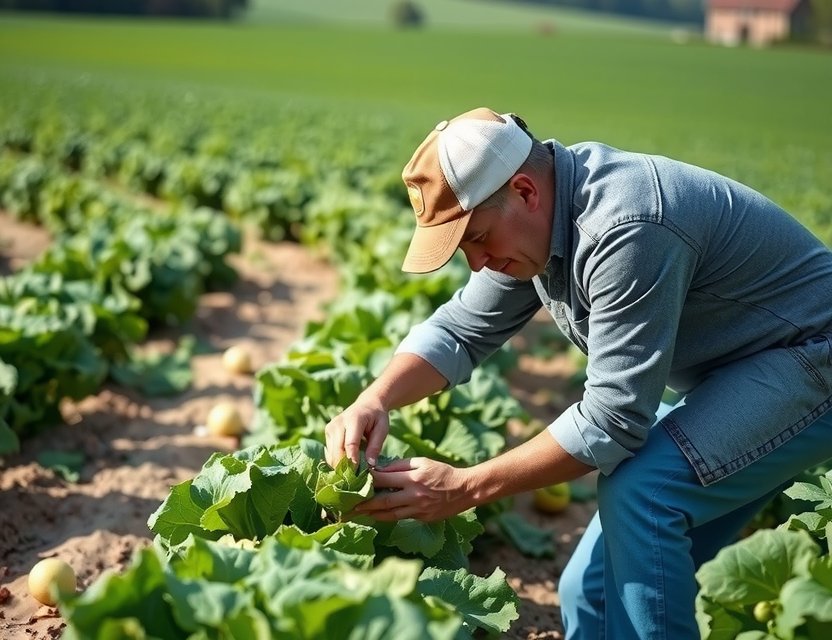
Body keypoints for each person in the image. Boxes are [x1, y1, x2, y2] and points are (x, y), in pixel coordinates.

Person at [323, 107, 832, 639]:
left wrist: (465, 488)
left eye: (476, 238)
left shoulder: (625, 226)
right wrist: (374, 399)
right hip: (733, 372)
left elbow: (613, 420)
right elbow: (460, 331)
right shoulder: (533, 229)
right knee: (586, 593)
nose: (476, 263)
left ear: (524, 191)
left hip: (811, 355)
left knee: (645, 492)